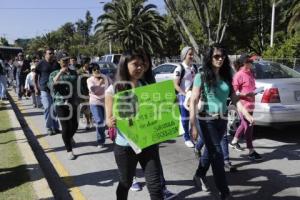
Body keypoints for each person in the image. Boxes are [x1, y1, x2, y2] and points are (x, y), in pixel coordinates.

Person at [189, 44, 254, 200]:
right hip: (206, 119)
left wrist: (246, 113)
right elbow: (193, 100)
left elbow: (234, 98)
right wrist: (193, 125)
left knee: (210, 152)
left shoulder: (227, 76)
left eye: (222, 56)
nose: (220, 59)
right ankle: (224, 192)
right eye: (216, 56)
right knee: (217, 154)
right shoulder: (202, 75)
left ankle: (199, 175)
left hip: (222, 119)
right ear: (209, 58)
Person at [105, 49, 163, 200]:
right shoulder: (113, 90)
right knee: (126, 182)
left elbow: (158, 111)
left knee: (155, 185)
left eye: (142, 64)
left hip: (148, 143)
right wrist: (111, 121)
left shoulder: (148, 87)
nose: (140, 68)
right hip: (125, 146)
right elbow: (108, 119)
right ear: (125, 65)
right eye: (135, 64)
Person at [129, 49, 177, 200]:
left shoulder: (149, 79)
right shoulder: (125, 83)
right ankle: (132, 179)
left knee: (154, 162)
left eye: (145, 62)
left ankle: (161, 188)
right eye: (139, 62)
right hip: (131, 131)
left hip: (149, 130)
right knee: (131, 161)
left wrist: (170, 104)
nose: (143, 65)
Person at [229, 54, 262, 161]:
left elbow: (252, 87)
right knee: (248, 127)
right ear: (245, 63)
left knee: (244, 126)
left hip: (251, 104)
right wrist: (245, 95)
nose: (252, 63)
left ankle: (234, 141)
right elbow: (234, 92)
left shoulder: (250, 73)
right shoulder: (238, 75)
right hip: (242, 105)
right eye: (250, 62)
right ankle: (251, 151)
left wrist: (256, 91)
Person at [48, 51, 78, 160]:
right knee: (65, 127)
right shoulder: (54, 73)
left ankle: (68, 138)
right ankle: (69, 150)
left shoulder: (74, 73)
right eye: (63, 60)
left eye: (67, 60)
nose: (66, 62)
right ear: (59, 61)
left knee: (74, 125)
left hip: (72, 102)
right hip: (60, 103)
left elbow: (76, 87)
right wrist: (60, 72)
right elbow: (53, 84)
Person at [174, 46, 197, 148]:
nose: (192, 56)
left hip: (193, 96)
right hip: (183, 97)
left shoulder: (194, 67)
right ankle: (187, 138)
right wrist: (184, 94)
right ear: (184, 55)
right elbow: (175, 85)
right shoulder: (180, 68)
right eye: (190, 54)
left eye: (192, 54)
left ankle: (193, 135)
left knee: (194, 117)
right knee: (185, 118)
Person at [34, 48, 60, 135]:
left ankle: (55, 127)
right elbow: (35, 75)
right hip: (44, 89)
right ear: (45, 54)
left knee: (55, 108)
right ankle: (49, 127)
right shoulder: (41, 63)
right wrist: (36, 87)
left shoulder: (56, 64)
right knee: (48, 107)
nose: (51, 55)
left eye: (52, 53)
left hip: (55, 90)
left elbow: (60, 74)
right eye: (50, 53)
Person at [87, 65, 111, 148]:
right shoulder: (89, 80)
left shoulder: (105, 77)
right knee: (99, 121)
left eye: (98, 69)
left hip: (106, 102)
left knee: (105, 122)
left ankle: (105, 134)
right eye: (94, 69)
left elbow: (112, 86)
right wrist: (100, 83)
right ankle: (100, 140)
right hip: (95, 103)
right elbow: (93, 90)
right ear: (92, 72)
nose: (97, 70)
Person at [77, 56, 92, 130]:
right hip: (82, 93)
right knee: (81, 109)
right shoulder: (79, 72)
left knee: (87, 109)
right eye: (88, 62)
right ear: (84, 63)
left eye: (89, 62)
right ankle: (75, 124)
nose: (89, 64)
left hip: (90, 93)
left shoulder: (91, 70)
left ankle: (88, 123)